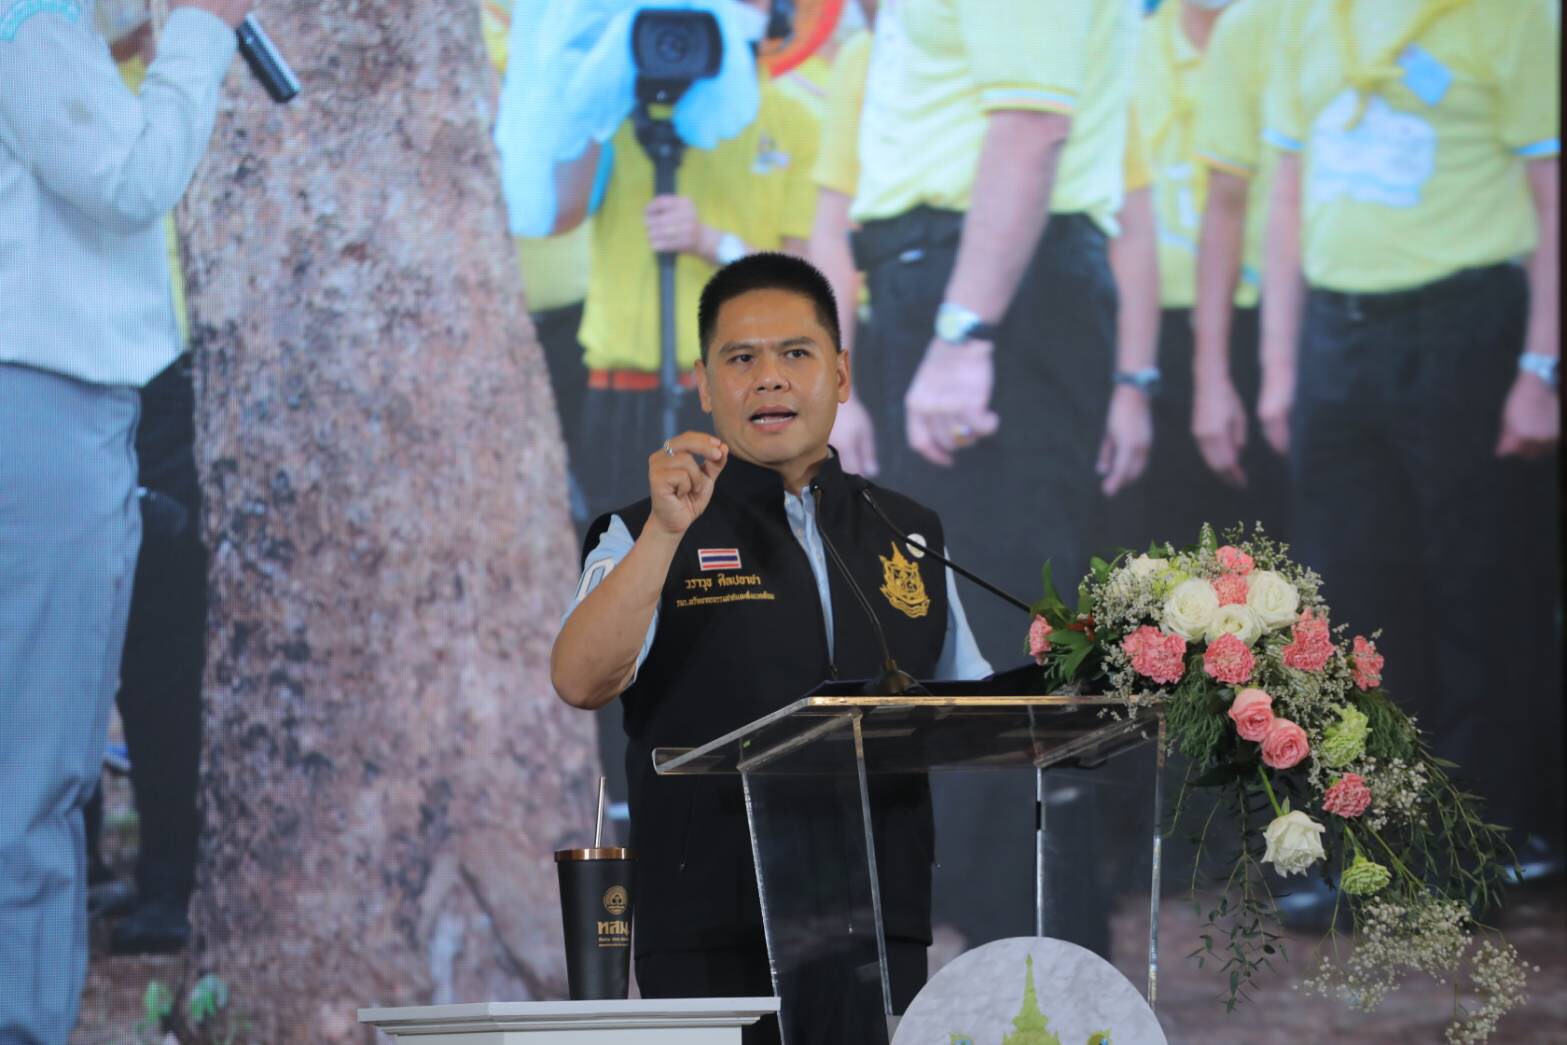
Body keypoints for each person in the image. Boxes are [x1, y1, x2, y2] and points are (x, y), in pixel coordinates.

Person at [551, 253, 991, 1045]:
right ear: (704, 383)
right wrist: (666, 533)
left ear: (841, 373)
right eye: (741, 358)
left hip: (875, 921)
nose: (770, 378)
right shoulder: (643, 528)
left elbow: (977, 704)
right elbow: (580, 679)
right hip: (710, 926)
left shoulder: (907, 529)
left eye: (795, 353)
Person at [845, 0, 1144, 958]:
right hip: (951, 279)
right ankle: (997, 940)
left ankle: (1036, 955)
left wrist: (962, 332)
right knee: (958, 629)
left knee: (1006, 629)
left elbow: (1031, 125)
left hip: (991, 294)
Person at [1262, 0, 1561, 873]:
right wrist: (1278, 367)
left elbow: (1551, 195)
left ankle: (1480, 840)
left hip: (1467, 326)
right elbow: (1285, 198)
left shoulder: (1512, 16)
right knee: (1348, 601)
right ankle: (1371, 844)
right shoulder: (1304, 17)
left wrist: (1540, 367)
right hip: (1336, 333)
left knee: (1477, 588)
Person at [0, 0, 245, 1039]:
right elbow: (132, 180)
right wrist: (205, 31)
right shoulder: (28, 25)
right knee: (37, 777)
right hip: (43, 404)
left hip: (55, 402)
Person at [550, 0, 821, 525]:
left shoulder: (794, 119)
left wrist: (712, 242)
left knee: (740, 565)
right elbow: (560, 212)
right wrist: (587, 90)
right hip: (620, 391)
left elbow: (803, 280)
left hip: (741, 392)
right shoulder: (618, 110)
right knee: (622, 562)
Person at [1126, 0, 1288, 548]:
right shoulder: (1130, 46)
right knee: (1156, 551)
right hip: (1148, 335)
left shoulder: (1298, 34)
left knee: (1277, 548)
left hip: (1267, 325)